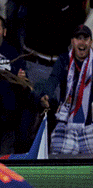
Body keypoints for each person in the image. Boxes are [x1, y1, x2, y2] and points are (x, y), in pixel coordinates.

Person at [35, 24, 93, 155]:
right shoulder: (64, 60)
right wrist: (45, 95)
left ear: (91, 42)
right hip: (66, 121)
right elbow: (53, 79)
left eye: (85, 38)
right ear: (72, 41)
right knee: (58, 153)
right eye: (78, 38)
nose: (82, 42)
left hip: (90, 123)